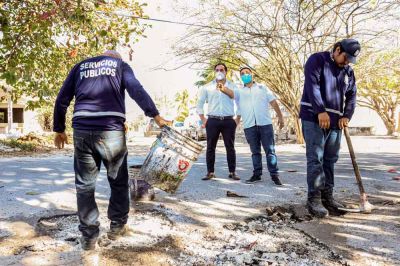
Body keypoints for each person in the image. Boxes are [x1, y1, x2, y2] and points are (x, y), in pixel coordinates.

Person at [53, 50, 169, 250]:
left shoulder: (81, 66)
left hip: (82, 129)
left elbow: (62, 98)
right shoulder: (120, 66)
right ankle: (117, 227)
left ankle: (88, 238)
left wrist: (59, 129)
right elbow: (136, 90)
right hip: (111, 131)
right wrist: (156, 116)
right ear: (116, 59)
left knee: (84, 186)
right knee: (118, 181)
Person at [300, 39, 360, 218]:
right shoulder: (317, 60)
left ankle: (328, 197)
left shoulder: (348, 71)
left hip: (335, 121)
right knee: (315, 159)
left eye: (350, 59)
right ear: (337, 49)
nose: (347, 61)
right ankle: (314, 199)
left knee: (330, 160)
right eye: (345, 57)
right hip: (313, 117)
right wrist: (320, 111)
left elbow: (352, 95)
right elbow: (312, 87)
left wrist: (346, 115)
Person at [235, 67, 285, 186]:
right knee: (255, 152)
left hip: (265, 124)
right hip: (249, 126)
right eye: (242, 74)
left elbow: (273, 102)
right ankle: (257, 174)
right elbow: (239, 109)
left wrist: (280, 117)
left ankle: (275, 175)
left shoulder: (262, 87)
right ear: (241, 77)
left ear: (252, 74)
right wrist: (235, 123)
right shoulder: (240, 92)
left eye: (247, 73)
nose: (245, 75)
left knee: (270, 151)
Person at [196, 63, 240, 180]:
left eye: (222, 70)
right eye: (217, 70)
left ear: (226, 72)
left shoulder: (233, 85)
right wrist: (203, 119)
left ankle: (232, 172)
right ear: (214, 72)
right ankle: (210, 172)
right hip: (213, 120)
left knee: (230, 147)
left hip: (228, 121)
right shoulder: (207, 87)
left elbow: (238, 101)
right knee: (210, 147)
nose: (219, 71)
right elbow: (199, 104)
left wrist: (237, 120)